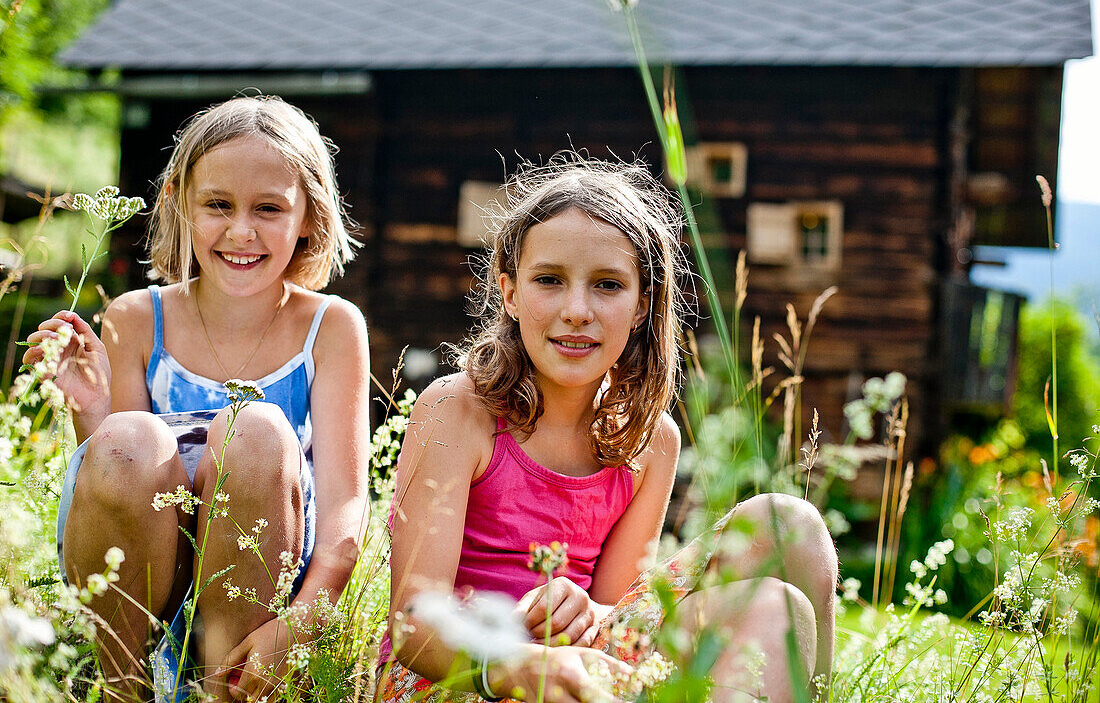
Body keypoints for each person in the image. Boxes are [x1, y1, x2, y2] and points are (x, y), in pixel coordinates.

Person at [381, 154, 838, 703]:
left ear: (642, 304)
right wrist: (525, 664)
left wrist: (584, 612)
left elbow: (611, 615)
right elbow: (413, 626)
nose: (577, 310)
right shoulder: (459, 411)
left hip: (582, 671)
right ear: (509, 291)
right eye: (549, 280)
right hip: (460, 677)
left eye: (607, 285)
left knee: (790, 532)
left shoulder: (650, 440)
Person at [23, 96, 371, 702]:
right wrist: (91, 417)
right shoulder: (136, 319)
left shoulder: (332, 327)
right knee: (130, 438)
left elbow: (346, 507)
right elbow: (122, 487)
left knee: (255, 431)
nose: (242, 232)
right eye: (218, 205)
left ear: (310, 216)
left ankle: (226, 688)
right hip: (145, 580)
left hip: (266, 576)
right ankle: (125, 688)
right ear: (180, 202)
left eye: (269, 209)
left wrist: (301, 622)